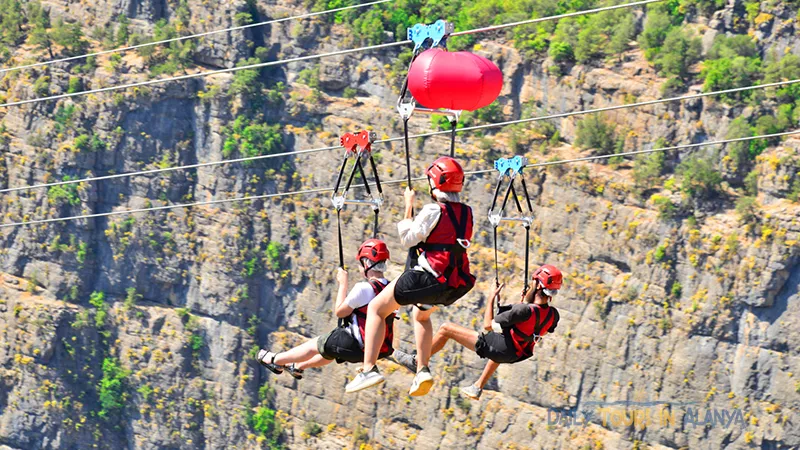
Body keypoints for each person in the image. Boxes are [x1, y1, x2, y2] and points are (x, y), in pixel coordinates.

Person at [345, 157, 475, 396]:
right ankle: (423, 369)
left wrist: (408, 206)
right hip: (453, 283)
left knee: (376, 308)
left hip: (425, 278)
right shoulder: (467, 213)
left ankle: (368, 368)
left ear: (434, 181)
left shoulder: (433, 209)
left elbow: (408, 239)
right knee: (421, 316)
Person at [393, 264, 562, 400]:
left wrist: (491, 298)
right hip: (516, 354)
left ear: (538, 285)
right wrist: (524, 303)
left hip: (503, 349)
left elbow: (488, 325)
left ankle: (418, 361)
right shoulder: (553, 315)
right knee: (502, 339)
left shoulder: (523, 311)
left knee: (446, 329)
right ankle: (477, 387)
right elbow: (534, 324)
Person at [256, 239, 395, 378]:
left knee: (315, 344)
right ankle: (297, 366)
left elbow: (340, 312)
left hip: (355, 346)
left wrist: (343, 284)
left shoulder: (363, 288)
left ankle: (275, 360)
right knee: (329, 349)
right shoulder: (391, 289)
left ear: (365, 263)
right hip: (379, 350)